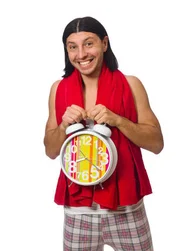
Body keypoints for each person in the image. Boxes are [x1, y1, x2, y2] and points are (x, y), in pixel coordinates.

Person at [43, 16, 164, 251]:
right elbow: (50, 150)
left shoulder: (131, 84)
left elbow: (157, 143)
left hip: (125, 206)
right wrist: (62, 127)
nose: (81, 54)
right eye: (72, 47)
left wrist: (118, 120)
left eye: (89, 43)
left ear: (104, 44)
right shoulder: (58, 89)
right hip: (78, 208)